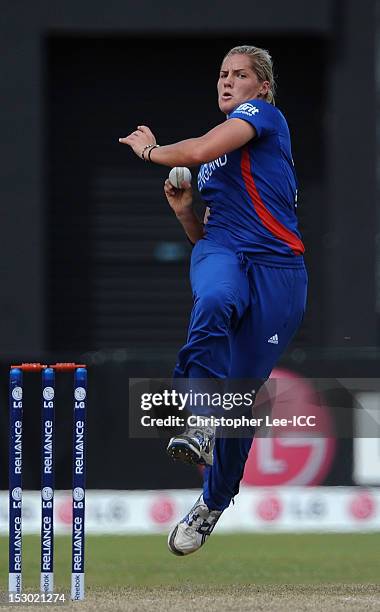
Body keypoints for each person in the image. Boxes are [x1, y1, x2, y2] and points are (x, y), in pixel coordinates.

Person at [119, 45, 308, 556]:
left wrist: (149, 151)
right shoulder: (210, 163)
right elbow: (204, 231)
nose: (227, 82)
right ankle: (199, 416)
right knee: (217, 297)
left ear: (261, 86)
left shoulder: (263, 117)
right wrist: (184, 212)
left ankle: (213, 503)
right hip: (220, 249)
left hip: (280, 271)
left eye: (240, 75)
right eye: (223, 74)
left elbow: (199, 148)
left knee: (241, 398)